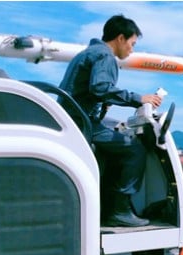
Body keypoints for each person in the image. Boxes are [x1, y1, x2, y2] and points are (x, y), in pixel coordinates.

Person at [59, 14, 162, 227]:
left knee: (116, 146)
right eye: (132, 44)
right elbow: (100, 87)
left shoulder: (88, 53)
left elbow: (91, 90)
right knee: (134, 149)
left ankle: (106, 206)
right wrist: (138, 99)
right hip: (81, 123)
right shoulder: (105, 56)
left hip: (72, 120)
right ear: (121, 38)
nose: (132, 50)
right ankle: (119, 210)